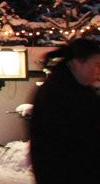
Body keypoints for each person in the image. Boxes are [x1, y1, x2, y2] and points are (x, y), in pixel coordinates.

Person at [28, 37, 100, 184]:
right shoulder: (57, 93)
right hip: (65, 175)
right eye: (96, 64)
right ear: (78, 62)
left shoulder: (80, 88)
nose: (98, 71)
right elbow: (74, 138)